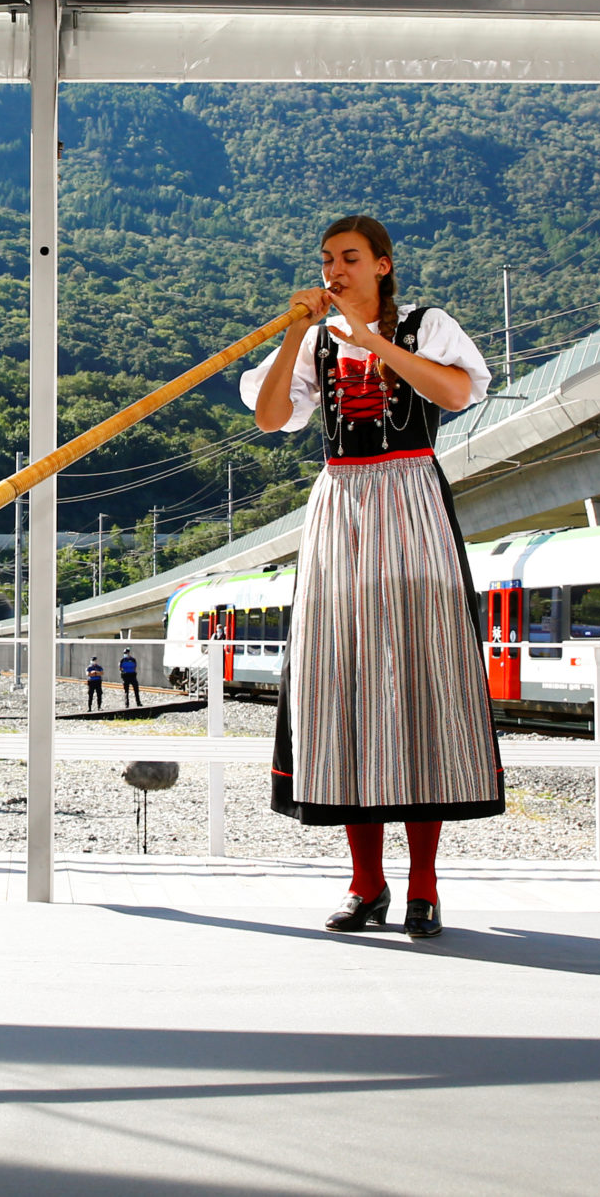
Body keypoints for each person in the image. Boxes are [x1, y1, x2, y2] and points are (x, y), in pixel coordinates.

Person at [244, 214, 502, 942]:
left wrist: (376, 343)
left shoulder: (426, 325)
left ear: (383, 265)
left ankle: (424, 884)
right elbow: (270, 418)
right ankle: (366, 883)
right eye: (327, 260)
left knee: (422, 683)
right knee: (344, 686)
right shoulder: (317, 342)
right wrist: (297, 329)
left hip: (412, 497)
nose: (335, 271)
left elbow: (455, 396)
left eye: (349, 259)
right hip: (342, 502)